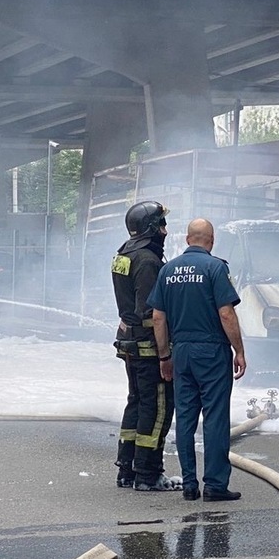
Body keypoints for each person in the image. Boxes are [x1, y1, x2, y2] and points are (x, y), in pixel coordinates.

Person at [148, 219, 247, 502]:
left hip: (181, 353)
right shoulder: (216, 268)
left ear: (187, 239)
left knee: (186, 418)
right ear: (211, 240)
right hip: (212, 351)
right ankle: (215, 485)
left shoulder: (167, 271)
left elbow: (158, 317)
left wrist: (164, 356)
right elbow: (226, 314)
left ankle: (189, 484)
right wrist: (238, 350)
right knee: (215, 418)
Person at [112, 201, 179, 492]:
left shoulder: (123, 254)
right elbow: (152, 313)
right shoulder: (149, 261)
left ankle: (127, 469)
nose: (165, 230)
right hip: (149, 346)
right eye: (161, 224)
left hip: (130, 342)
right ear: (151, 228)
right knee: (158, 406)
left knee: (136, 402)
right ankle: (148, 473)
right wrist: (165, 352)